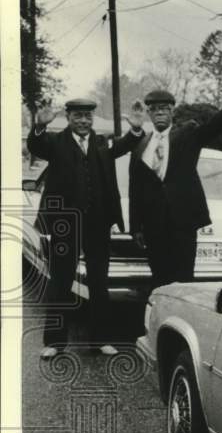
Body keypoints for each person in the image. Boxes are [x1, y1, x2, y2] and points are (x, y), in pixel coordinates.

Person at [28, 98, 146, 357]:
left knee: (98, 282)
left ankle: (100, 340)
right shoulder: (55, 142)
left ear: (92, 119)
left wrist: (136, 129)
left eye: (87, 116)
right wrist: (39, 124)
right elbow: (36, 144)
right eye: (78, 116)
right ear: (68, 117)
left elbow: (126, 144)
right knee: (60, 281)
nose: (83, 121)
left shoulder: (103, 142)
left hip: (98, 222)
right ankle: (54, 343)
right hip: (64, 223)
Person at [129, 79, 222, 287]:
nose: (160, 113)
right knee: (160, 279)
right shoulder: (140, 144)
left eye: (164, 109)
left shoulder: (188, 134)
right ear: (149, 114)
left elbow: (213, 128)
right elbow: (135, 187)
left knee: (183, 279)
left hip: (183, 222)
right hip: (153, 226)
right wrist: (136, 227)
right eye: (154, 110)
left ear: (172, 111)